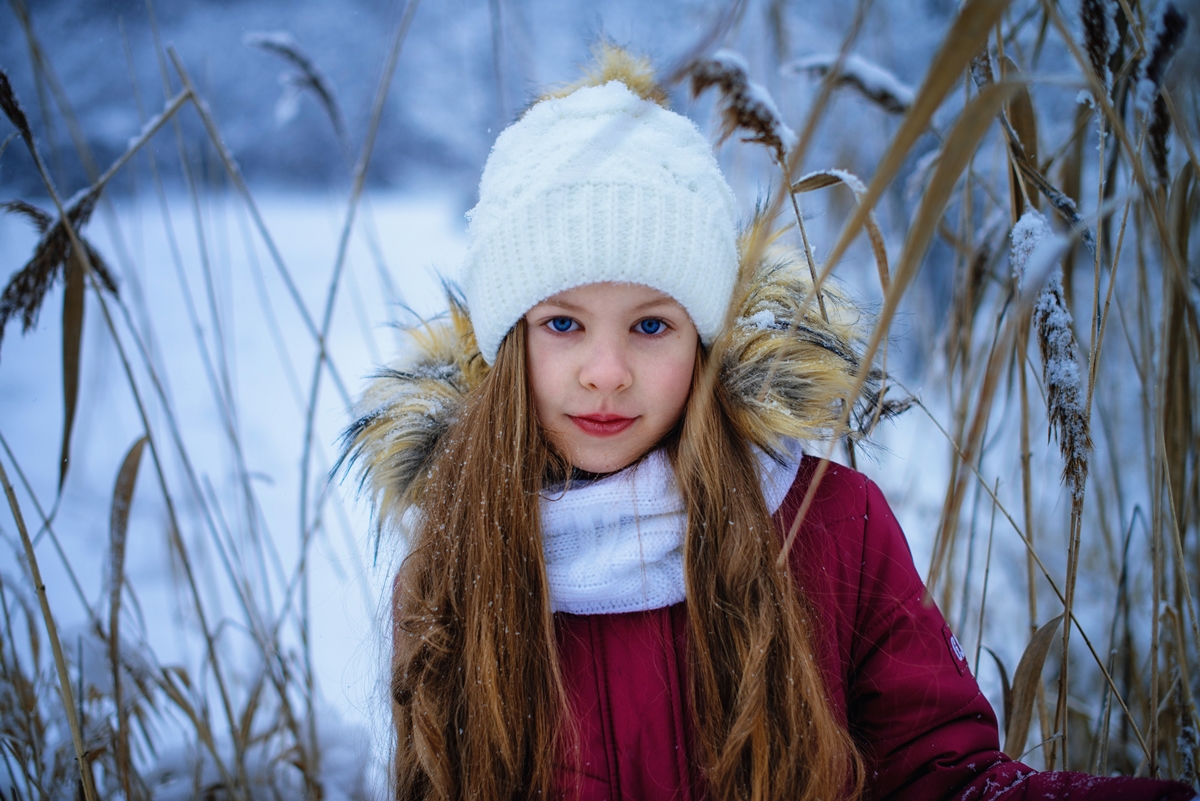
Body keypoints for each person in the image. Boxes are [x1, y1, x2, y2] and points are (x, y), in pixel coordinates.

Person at [339, 48, 1197, 801]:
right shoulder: (460, 556)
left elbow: (945, 777)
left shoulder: (828, 525)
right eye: (563, 324)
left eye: (651, 325)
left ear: (706, 340)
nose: (605, 371)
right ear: (508, 341)